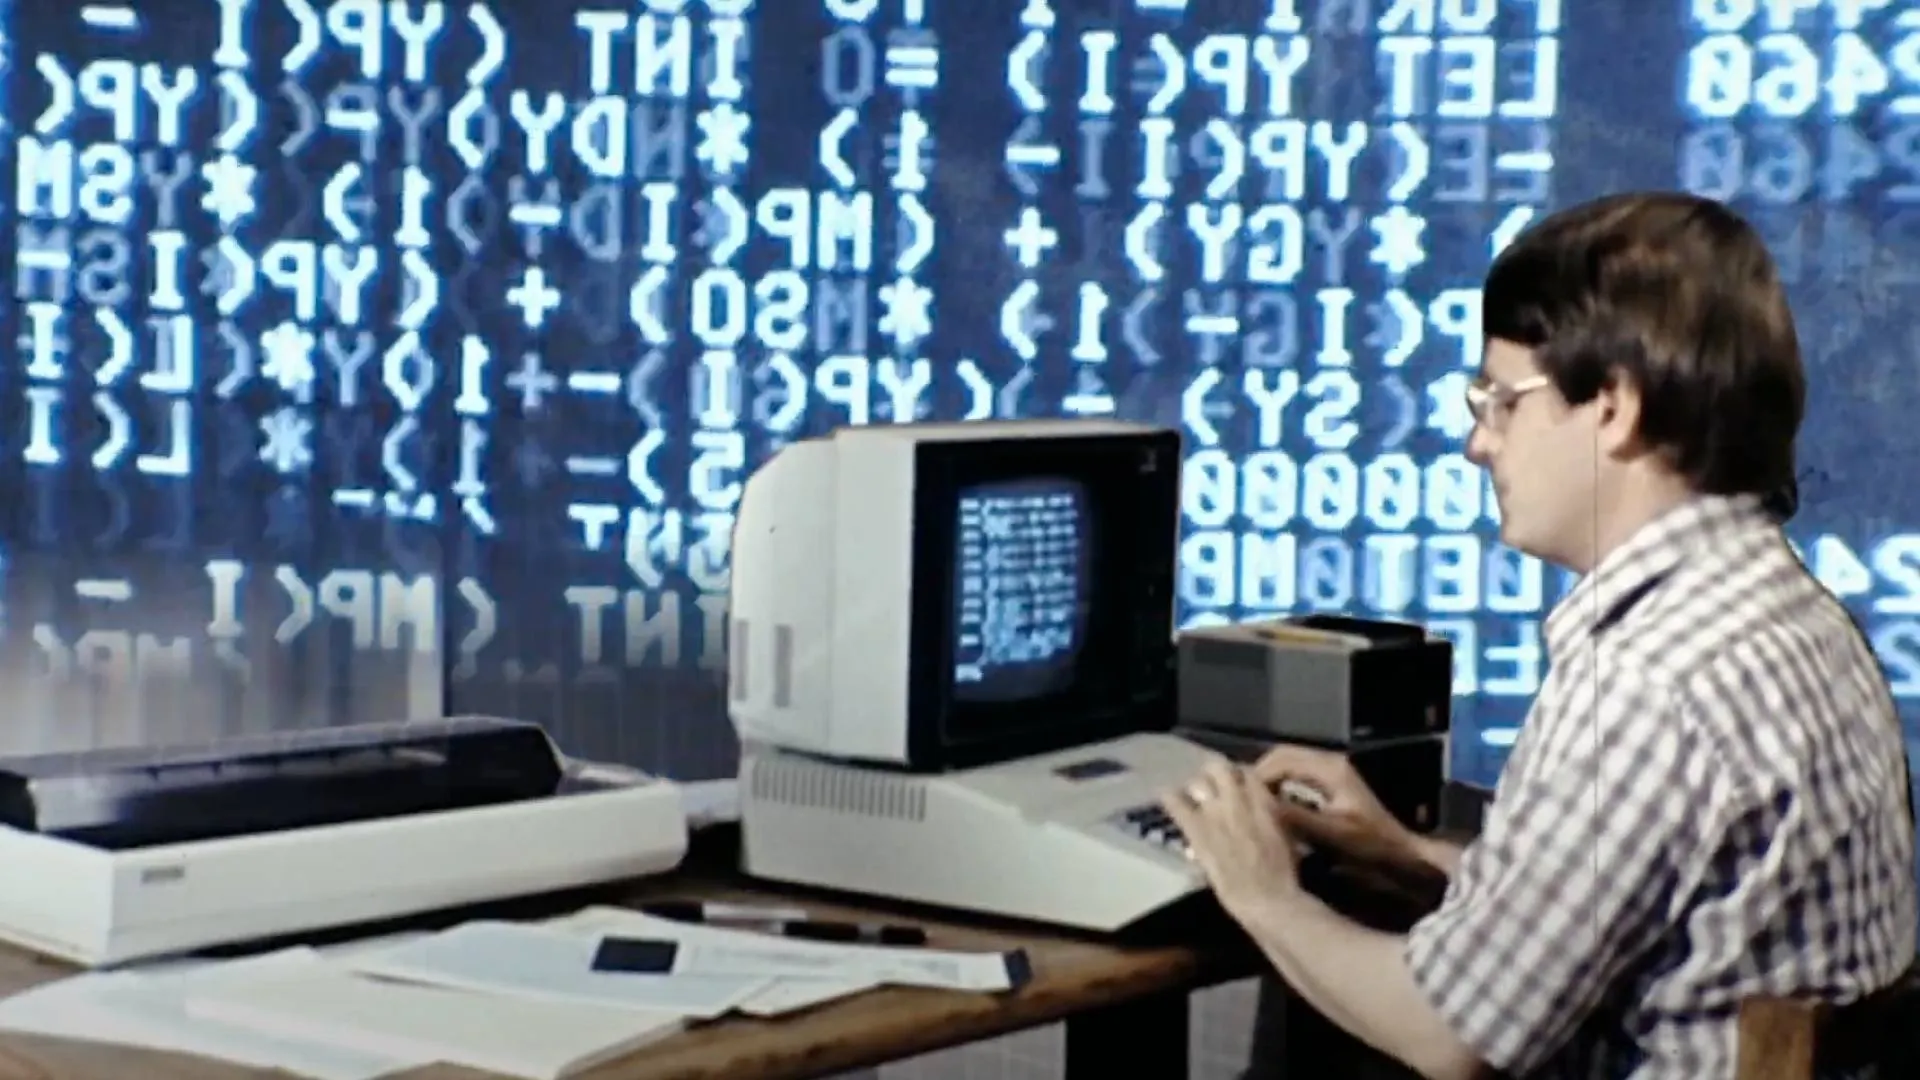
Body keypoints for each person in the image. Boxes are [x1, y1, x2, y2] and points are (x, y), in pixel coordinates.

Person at [1162, 191, 1918, 1079]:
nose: (1477, 444)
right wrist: (1411, 858)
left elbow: (1449, 1037)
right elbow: (1648, 924)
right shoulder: (1798, 619)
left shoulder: (1645, 680)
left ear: (1613, 406)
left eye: (1499, 401)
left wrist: (1263, 893)